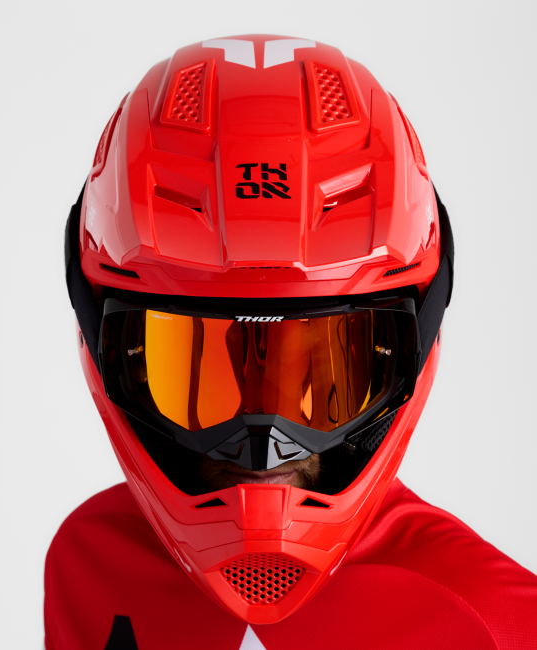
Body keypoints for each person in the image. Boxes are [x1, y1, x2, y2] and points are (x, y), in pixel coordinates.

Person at [45, 35, 537, 649]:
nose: (263, 452)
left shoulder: (492, 623)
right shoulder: (88, 567)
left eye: (323, 377)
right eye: (203, 372)